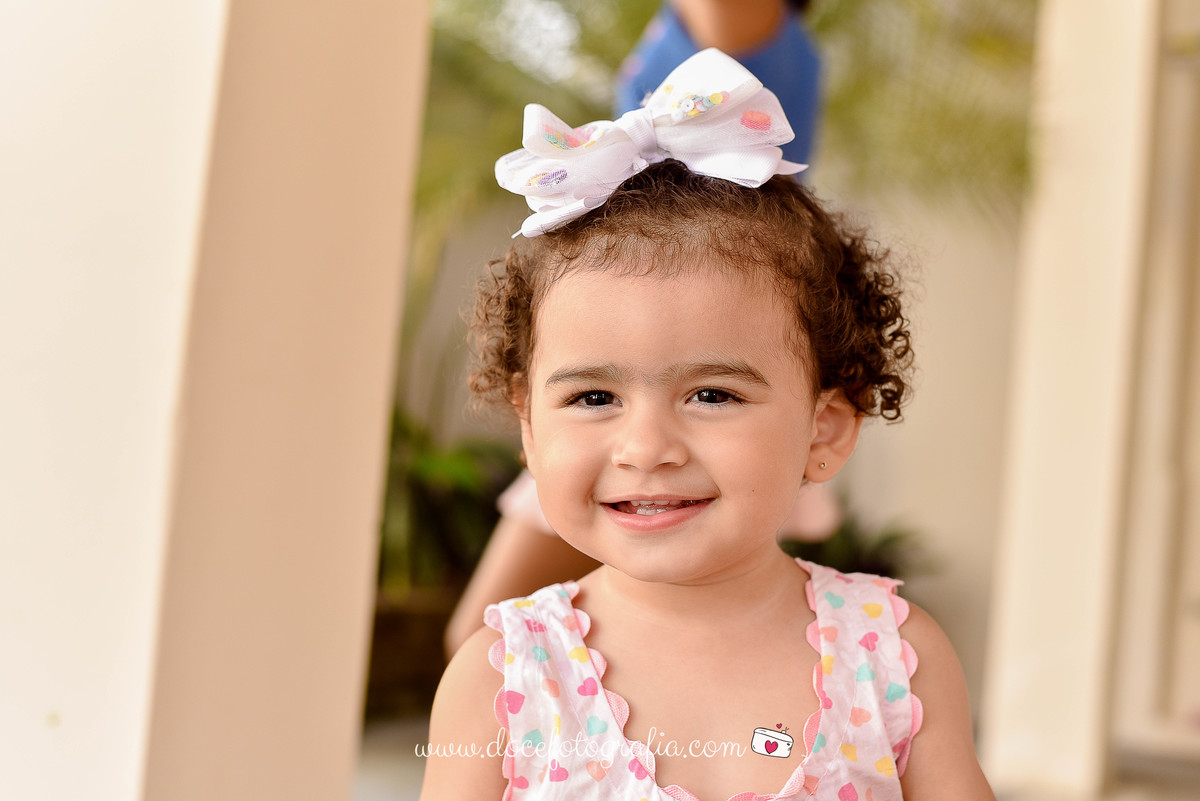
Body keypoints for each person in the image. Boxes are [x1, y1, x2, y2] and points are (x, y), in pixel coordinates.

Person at [420, 50, 994, 800]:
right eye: (593, 397)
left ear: (824, 429)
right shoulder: (504, 677)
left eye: (713, 395)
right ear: (529, 427)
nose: (646, 448)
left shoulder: (894, 659)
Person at [445, 0, 828, 657]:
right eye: (587, 395)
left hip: (692, 329)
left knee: (489, 638)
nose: (646, 448)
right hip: (648, 350)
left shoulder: (744, 19)